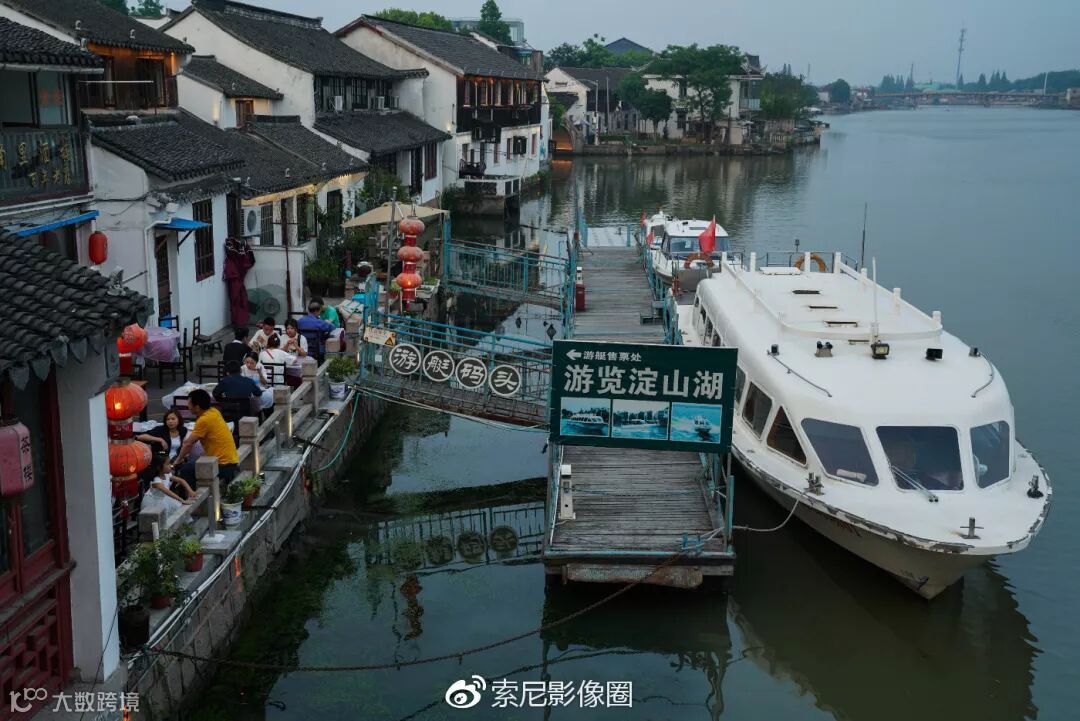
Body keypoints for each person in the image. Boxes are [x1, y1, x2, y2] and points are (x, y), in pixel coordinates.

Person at [175, 389, 239, 487]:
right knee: (193, 463)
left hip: (222, 466)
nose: (188, 406)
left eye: (189, 404)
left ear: (197, 407)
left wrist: (178, 459)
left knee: (186, 469)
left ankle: (193, 494)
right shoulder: (214, 411)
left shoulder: (204, 420)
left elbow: (188, 443)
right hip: (232, 461)